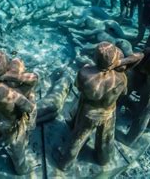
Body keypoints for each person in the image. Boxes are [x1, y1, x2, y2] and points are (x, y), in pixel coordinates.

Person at [55, 42, 143, 170]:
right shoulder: (121, 77)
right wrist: (118, 63)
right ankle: (103, 159)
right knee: (106, 138)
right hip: (108, 111)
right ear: (115, 60)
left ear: (95, 58)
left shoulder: (85, 72)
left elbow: (78, 87)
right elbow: (139, 56)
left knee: (78, 138)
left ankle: (65, 163)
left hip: (89, 113)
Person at [0, 51, 38, 175]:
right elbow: (29, 107)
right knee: (17, 150)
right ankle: (22, 170)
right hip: (10, 124)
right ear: (6, 69)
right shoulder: (11, 93)